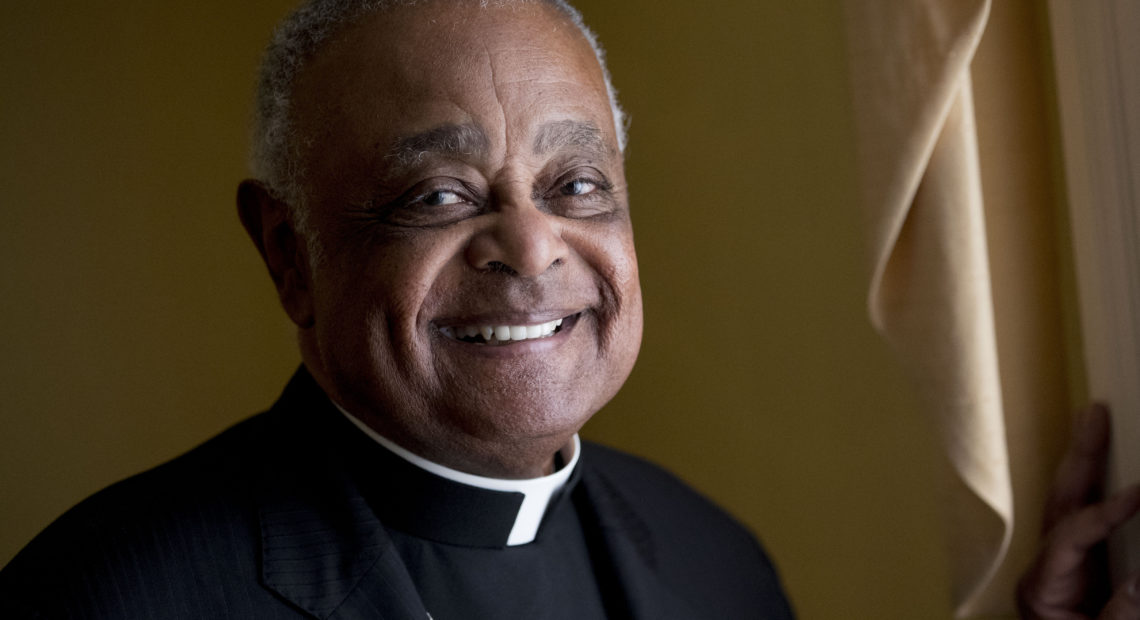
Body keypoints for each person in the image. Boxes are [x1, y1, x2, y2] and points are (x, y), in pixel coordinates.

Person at [0, 1, 1134, 618]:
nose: (533, 244)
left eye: (576, 184)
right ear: (290, 253)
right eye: (437, 194)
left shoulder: (716, 560)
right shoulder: (104, 596)